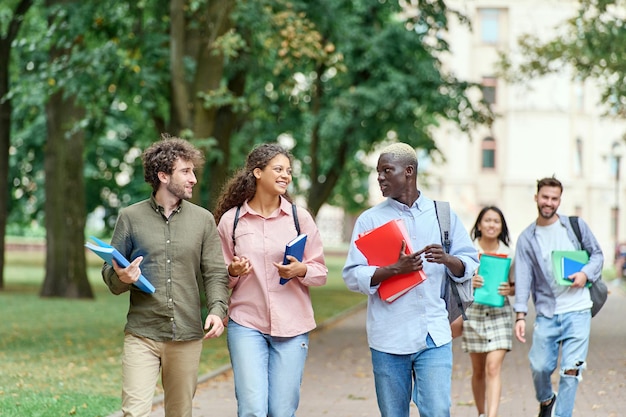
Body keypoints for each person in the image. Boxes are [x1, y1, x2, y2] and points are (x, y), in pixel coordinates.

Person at [342, 142, 479, 417]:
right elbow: (352, 276)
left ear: (408, 171)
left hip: (434, 334)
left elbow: (470, 263)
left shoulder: (443, 215)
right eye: (378, 172)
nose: (380, 178)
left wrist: (448, 259)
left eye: (386, 171)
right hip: (389, 337)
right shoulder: (369, 220)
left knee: (438, 411)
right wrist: (394, 269)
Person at [102, 135, 229, 417]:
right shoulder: (130, 217)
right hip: (142, 333)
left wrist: (218, 310)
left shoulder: (203, 220)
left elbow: (216, 273)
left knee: (179, 413)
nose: (193, 179)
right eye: (186, 171)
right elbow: (110, 274)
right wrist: (123, 277)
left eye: (193, 171)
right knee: (134, 413)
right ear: (162, 175)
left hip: (186, 335)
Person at [214, 143, 327, 417]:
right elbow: (217, 276)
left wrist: (300, 270)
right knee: (252, 409)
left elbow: (320, 272)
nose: (285, 175)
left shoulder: (300, 218)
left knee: (281, 410)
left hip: (293, 325)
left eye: (288, 171)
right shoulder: (233, 221)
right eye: (278, 169)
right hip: (246, 324)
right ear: (257, 173)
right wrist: (233, 271)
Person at [514, 176, 603, 417]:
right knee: (540, 366)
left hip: (578, 309)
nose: (549, 202)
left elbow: (597, 255)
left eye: (554, 198)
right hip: (547, 312)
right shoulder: (527, 238)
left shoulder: (575, 226)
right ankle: (546, 399)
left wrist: (585, 274)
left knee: (571, 370)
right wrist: (520, 315)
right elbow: (523, 278)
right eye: (545, 197)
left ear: (559, 200)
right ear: (536, 197)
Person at [462, 206, 515, 417]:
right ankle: (481, 413)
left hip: (500, 314)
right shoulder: (467, 251)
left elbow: (516, 286)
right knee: (478, 370)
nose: (491, 224)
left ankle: (491, 416)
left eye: (496, 221)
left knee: (493, 367)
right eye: (487, 220)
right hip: (474, 314)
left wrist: (509, 289)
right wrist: (469, 282)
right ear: (479, 225)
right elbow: (454, 281)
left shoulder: (509, 252)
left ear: (501, 226)